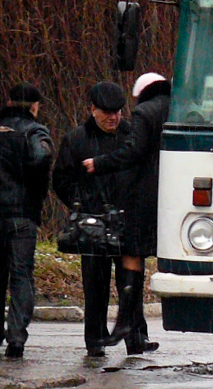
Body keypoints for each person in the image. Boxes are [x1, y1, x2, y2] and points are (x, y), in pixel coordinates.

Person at [52, 82, 145, 357]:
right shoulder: (76, 139)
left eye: (117, 111)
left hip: (128, 220)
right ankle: (95, 341)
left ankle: (136, 339)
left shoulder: (131, 135)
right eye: (106, 112)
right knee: (95, 286)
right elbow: (61, 179)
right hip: (93, 222)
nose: (112, 117)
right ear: (91, 109)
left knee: (131, 283)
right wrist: (81, 205)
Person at [83, 72, 169, 352]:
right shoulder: (178, 106)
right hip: (167, 195)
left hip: (138, 201)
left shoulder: (145, 113)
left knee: (130, 256)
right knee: (134, 259)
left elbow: (135, 151)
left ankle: (125, 323)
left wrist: (101, 163)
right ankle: (132, 328)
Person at [0, 83, 53, 358]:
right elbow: (42, 159)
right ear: (35, 106)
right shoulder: (34, 131)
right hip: (22, 217)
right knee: (21, 276)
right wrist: (35, 192)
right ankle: (16, 338)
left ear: (9, 101)